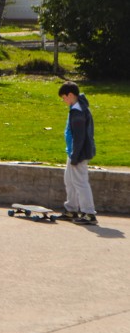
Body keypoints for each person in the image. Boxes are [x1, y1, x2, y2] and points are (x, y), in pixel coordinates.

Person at [57, 81, 97, 225]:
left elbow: (79, 138)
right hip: (73, 152)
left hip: (78, 153)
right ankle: (71, 209)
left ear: (71, 95)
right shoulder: (76, 107)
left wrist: (75, 156)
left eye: (64, 97)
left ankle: (89, 213)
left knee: (80, 183)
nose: (64, 101)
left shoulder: (78, 112)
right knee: (69, 181)